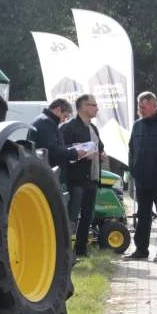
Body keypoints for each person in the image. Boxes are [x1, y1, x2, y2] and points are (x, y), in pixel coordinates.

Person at [125, 91, 157, 262]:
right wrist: (133, 168)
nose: (140, 110)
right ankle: (141, 250)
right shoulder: (138, 125)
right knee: (143, 215)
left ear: (154, 106)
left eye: (143, 107)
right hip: (141, 179)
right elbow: (131, 148)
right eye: (139, 106)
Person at [59, 94, 104, 257]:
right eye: (94, 105)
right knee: (71, 216)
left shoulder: (94, 128)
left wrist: (101, 153)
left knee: (87, 216)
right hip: (75, 179)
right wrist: (81, 152)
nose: (97, 108)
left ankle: (81, 250)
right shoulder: (68, 128)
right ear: (83, 107)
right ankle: (64, 251)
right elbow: (62, 150)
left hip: (91, 179)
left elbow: (99, 147)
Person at [30, 98, 77, 170]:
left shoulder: (43, 119)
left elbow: (54, 146)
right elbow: (53, 149)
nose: (64, 120)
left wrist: (72, 146)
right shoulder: (46, 122)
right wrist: (75, 153)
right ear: (58, 109)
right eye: (65, 116)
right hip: (46, 170)